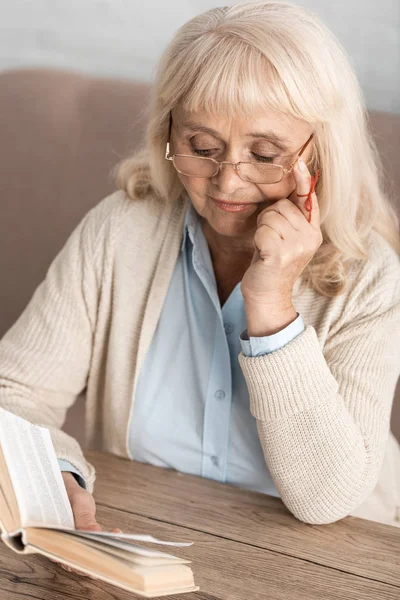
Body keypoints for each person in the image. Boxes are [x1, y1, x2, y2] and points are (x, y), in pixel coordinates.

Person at [1, 0, 400, 548]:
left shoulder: (370, 276)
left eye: (264, 154)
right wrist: (59, 477)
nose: (228, 183)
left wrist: (273, 310)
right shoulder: (119, 231)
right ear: (169, 137)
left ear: (321, 153)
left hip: (328, 560)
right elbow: (14, 395)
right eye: (202, 147)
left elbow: (327, 500)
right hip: (143, 537)